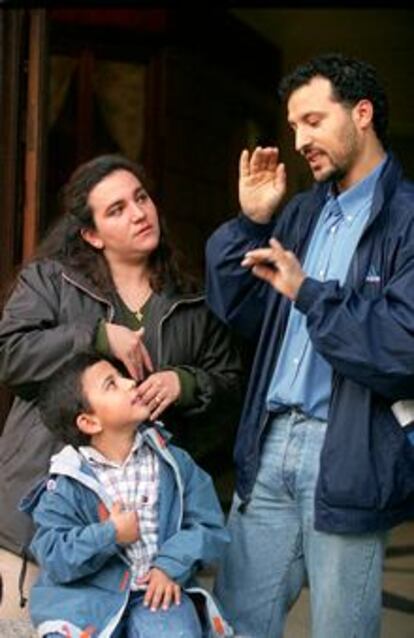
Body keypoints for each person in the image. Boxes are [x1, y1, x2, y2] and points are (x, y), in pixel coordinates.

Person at [205, 52, 414, 638]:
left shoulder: (406, 219)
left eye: (314, 121)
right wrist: (249, 224)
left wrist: (310, 293)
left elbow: (402, 347)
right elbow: (236, 311)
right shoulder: (298, 214)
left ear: (363, 114)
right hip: (269, 445)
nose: (298, 139)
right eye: (294, 124)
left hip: (348, 451)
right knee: (235, 625)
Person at [0, 154, 244, 619]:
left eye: (141, 198)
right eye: (116, 209)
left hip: (148, 541)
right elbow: (9, 353)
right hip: (41, 521)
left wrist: (186, 383)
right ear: (91, 234)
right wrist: (93, 335)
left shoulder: (192, 302)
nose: (138, 213)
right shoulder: (51, 281)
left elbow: (231, 387)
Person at [19, 351, 234, 637]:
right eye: (112, 384)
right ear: (90, 422)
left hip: (157, 593)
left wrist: (169, 567)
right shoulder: (65, 483)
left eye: (123, 376)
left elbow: (207, 524)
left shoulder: (173, 462)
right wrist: (111, 534)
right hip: (86, 599)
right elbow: (55, 557)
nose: (130, 383)